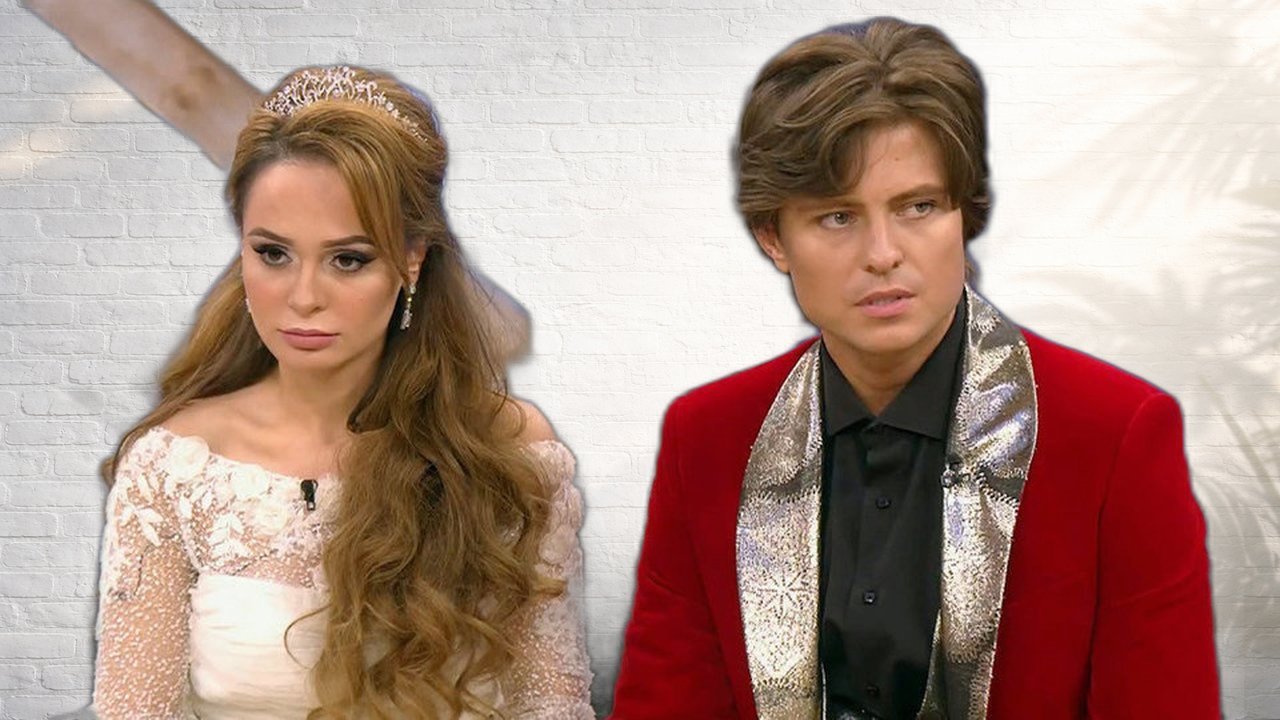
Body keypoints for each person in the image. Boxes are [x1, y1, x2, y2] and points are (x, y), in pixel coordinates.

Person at [610, 17, 1219, 720]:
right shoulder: (707, 437)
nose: (882, 254)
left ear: (963, 215)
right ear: (774, 238)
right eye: (838, 217)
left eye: (919, 207)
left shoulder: (1115, 433)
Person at [91, 66, 593, 719]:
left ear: (412, 261)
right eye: (273, 254)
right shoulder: (172, 467)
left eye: (347, 259)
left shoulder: (507, 451)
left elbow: (550, 703)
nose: (303, 297)